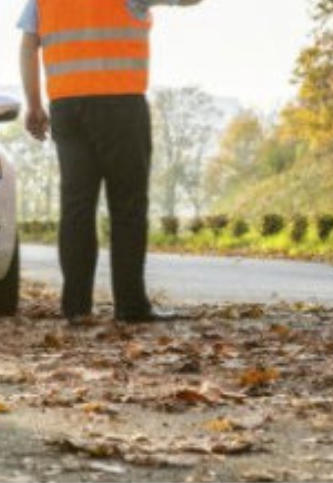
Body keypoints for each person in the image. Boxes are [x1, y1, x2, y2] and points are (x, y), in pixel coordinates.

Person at [18, 0, 201, 323]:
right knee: (128, 206)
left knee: (76, 207)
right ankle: (130, 305)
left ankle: (76, 308)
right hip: (120, 103)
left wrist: (34, 104)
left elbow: (28, 46)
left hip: (66, 106)